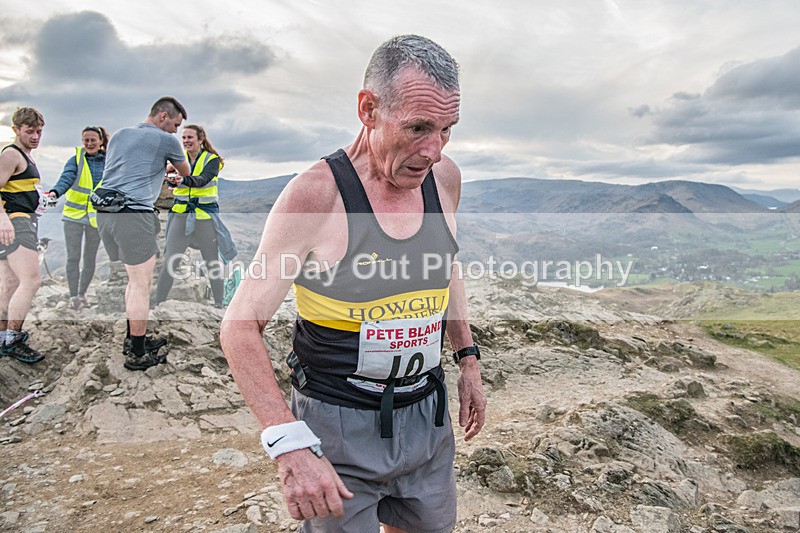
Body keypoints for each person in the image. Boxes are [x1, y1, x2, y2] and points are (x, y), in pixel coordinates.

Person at [221, 35, 486, 533]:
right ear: (368, 109)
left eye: (447, 130)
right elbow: (239, 327)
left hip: (426, 416)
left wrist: (467, 359)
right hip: (337, 427)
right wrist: (289, 443)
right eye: (418, 127)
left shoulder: (444, 178)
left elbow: (445, 265)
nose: (433, 149)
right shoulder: (315, 196)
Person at [95, 96, 190, 371]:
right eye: (174, 124)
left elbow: (126, 168)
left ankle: (132, 337)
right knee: (141, 284)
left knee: (132, 280)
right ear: (162, 116)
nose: (175, 131)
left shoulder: (120, 136)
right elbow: (184, 172)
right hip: (134, 214)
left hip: (105, 213)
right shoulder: (167, 140)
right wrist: (168, 168)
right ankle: (137, 353)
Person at [154, 124, 235, 308]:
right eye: (183, 138)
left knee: (211, 261)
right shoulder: (177, 160)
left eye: (190, 137)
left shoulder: (212, 160)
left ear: (201, 139)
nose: (186, 141)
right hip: (181, 216)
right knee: (171, 260)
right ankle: (158, 304)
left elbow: (203, 180)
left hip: (204, 218)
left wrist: (182, 180)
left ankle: (218, 304)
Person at [0, 107, 47, 364]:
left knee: (9, 284)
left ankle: (3, 338)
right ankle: (14, 339)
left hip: (19, 221)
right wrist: (3, 220)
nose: (36, 136)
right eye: (30, 131)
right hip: (16, 224)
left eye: (39, 131)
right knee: (31, 280)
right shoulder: (11, 154)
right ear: (16, 130)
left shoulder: (25, 157)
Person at [48, 126, 109, 310]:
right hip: (73, 216)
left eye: (93, 140)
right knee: (73, 257)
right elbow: (66, 178)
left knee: (90, 258)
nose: (89, 144)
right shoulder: (75, 159)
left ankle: (82, 294)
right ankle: (73, 296)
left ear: (100, 142)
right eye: (86, 140)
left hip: (95, 218)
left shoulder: (109, 161)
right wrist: (54, 192)